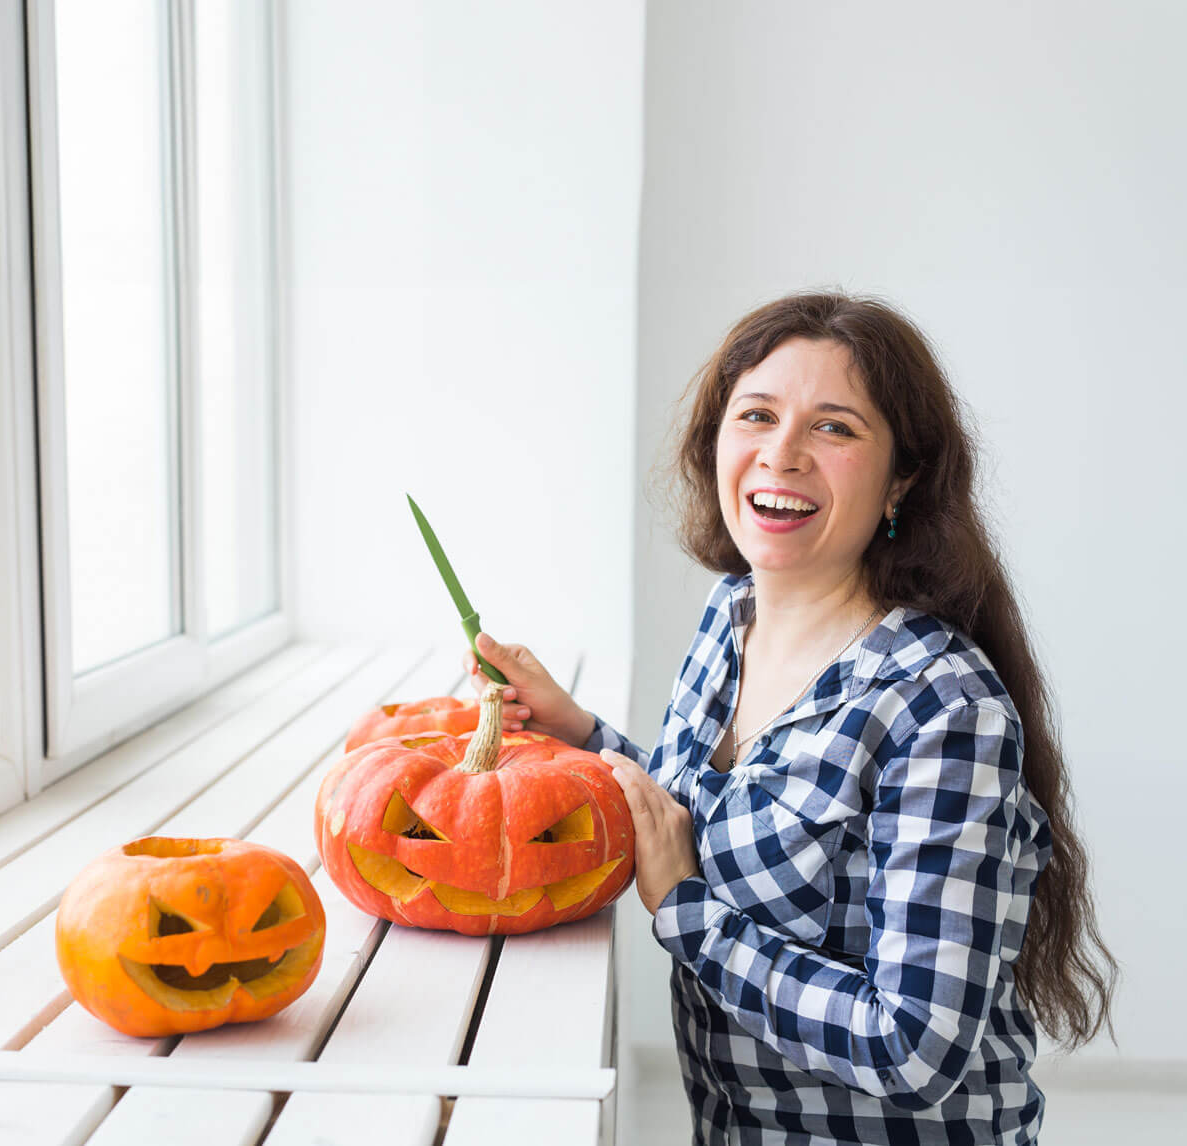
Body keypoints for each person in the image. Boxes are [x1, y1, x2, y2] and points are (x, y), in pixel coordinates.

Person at [463, 291, 1118, 1145]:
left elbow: (915, 1051)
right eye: (758, 415)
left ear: (903, 480)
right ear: (716, 443)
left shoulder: (941, 706)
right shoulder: (731, 615)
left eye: (834, 428)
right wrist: (582, 734)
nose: (782, 454)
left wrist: (684, 912)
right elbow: (715, 820)